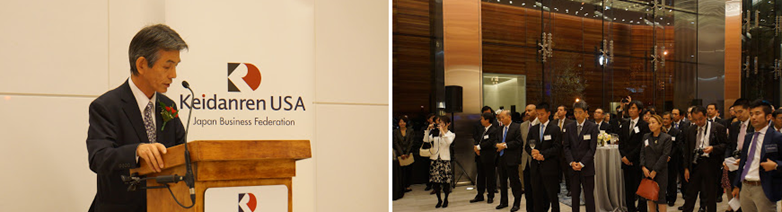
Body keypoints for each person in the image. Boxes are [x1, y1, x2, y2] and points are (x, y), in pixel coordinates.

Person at [86, 24, 188, 212]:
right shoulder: (107, 107)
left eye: (175, 66)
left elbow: (182, 156)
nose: (173, 75)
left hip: (165, 206)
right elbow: (98, 159)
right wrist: (136, 151)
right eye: (167, 66)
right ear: (141, 65)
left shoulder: (168, 107)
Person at [731, 100, 782, 212]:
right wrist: (737, 185)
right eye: (751, 114)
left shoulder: (777, 137)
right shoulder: (749, 137)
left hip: (764, 186)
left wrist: (776, 165)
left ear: (768, 116)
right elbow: (744, 161)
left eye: (757, 114)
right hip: (745, 185)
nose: (753, 117)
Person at [682, 106, 727, 212]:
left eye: (700, 119)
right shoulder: (690, 129)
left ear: (706, 116)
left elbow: (725, 145)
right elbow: (687, 150)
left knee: (710, 194)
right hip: (695, 163)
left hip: (710, 163)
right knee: (690, 194)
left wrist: (713, 148)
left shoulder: (718, 127)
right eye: (695, 119)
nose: (698, 122)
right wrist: (686, 168)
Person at [527, 102, 562, 212]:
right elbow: (527, 146)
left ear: (548, 114)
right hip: (535, 168)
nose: (540, 117)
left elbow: (557, 148)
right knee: (537, 195)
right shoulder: (533, 129)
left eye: (542, 114)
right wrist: (533, 153)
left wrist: (543, 154)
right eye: (538, 114)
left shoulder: (555, 129)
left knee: (552, 195)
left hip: (549, 167)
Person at [563, 101, 598, 212]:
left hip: (586, 167)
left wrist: (582, 163)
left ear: (586, 113)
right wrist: (572, 162)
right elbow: (566, 147)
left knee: (588, 196)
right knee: (574, 196)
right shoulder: (569, 127)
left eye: (580, 112)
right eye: (575, 112)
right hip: (573, 167)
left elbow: (592, 149)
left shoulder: (592, 127)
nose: (577, 115)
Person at [619, 100, 649, 212]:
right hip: (626, 162)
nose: (631, 110)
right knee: (628, 189)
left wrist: (630, 157)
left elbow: (642, 144)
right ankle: (630, 209)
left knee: (640, 189)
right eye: (630, 108)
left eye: (634, 108)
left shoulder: (644, 125)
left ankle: (642, 209)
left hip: (637, 162)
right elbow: (620, 142)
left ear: (640, 111)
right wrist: (624, 157)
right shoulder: (624, 124)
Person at [640, 114, 673, 212]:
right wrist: (643, 167)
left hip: (660, 171)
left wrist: (655, 170)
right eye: (649, 123)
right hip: (647, 171)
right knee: (650, 196)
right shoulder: (646, 137)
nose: (650, 125)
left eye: (653, 123)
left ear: (660, 124)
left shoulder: (666, 138)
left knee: (660, 197)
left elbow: (665, 156)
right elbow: (642, 153)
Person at [724, 98, 751, 212]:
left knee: (746, 194)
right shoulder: (735, 126)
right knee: (735, 192)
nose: (738, 115)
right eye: (736, 112)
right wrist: (726, 159)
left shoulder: (754, 126)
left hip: (747, 163)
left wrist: (744, 159)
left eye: (741, 112)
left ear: (748, 110)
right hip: (733, 162)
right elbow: (729, 145)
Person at [423, 116, 455, 208]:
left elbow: (448, 142)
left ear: (448, 124)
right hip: (435, 159)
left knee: (446, 182)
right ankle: (439, 200)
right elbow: (426, 140)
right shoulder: (435, 133)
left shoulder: (451, 134)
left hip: (445, 160)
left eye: (442, 122)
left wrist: (442, 131)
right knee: (435, 182)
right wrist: (428, 130)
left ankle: (446, 199)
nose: (440, 124)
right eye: (439, 122)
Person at [495, 110, 523, 211]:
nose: (501, 120)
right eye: (500, 118)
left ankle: (517, 202)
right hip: (501, 158)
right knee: (502, 182)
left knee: (514, 181)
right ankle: (503, 201)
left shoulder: (517, 127)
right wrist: (497, 145)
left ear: (509, 117)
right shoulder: (499, 128)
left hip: (512, 158)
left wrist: (505, 145)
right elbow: (496, 140)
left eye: (503, 117)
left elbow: (518, 141)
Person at [471, 112, 498, 204]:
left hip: (489, 157)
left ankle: (490, 195)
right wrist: (476, 147)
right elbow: (478, 140)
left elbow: (491, 142)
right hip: (480, 157)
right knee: (480, 176)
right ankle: (480, 194)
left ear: (487, 120)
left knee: (490, 177)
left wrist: (479, 147)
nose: (481, 121)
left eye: (482, 119)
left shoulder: (493, 130)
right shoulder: (483, 130)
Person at [519, 104, 538, 212]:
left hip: (537, 161)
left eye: (529, 110)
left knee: (537, 190)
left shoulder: (541, 124)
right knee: (528, 190)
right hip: (525, 161)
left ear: (536, 111)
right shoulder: (523, 125)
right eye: (526, 110)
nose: (527, 112)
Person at [661, 112, 683, 206]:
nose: (665, 121)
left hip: (672, 159)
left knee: (671, 179)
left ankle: (672, 198)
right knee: (663, 179)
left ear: (671, 120)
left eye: (667, 119)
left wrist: (669, 156)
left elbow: (677, 146)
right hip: (662, 160)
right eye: (664, 119)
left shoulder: (676, 132)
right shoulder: (660, 131)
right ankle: (664, 196)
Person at [555, 105, 574, 195]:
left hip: (565, 151)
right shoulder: (553, 123)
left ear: (565, 112)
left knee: (567, 171)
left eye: (561, 110)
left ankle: (570, 189)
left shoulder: (570, 123)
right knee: (556, 171)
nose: (559, 111)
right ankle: (556, 188)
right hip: (556, 150)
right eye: (558, 110)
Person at [393, 116, 416, 192]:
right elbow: (396, 143)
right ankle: (401, 186)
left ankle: (407, 186)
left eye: (403, 122)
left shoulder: (410, 131)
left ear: (406, 123)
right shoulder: (395, 131)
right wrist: (401, 153)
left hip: (408, 154)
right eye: (400, 122)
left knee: (408, 171)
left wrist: (407, 153)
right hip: (400, 154)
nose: (402, 123)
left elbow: (411, 142)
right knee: (401, 171)